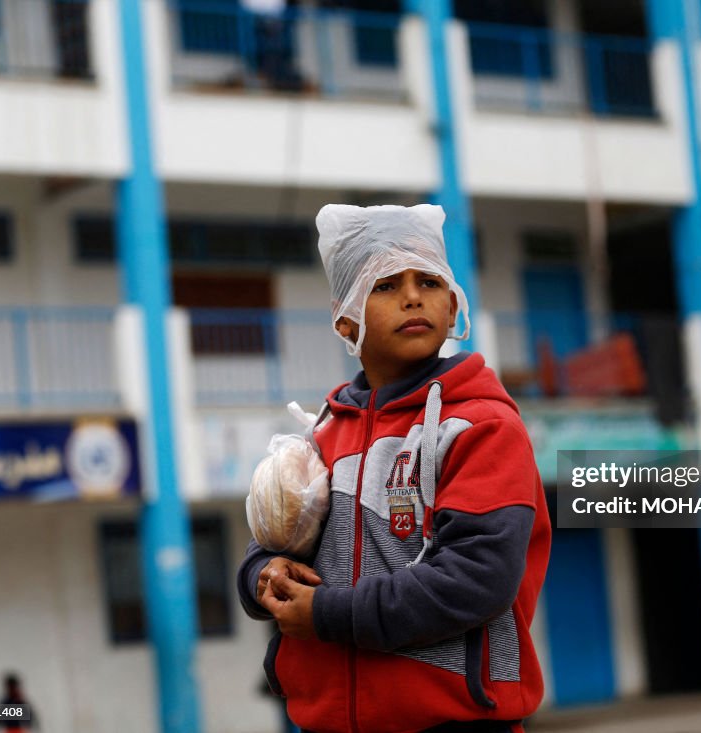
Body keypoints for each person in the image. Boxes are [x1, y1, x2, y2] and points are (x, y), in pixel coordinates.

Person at [237, 204, 552, 733]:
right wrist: (262, 577)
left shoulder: (481, 426)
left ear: (453, 307)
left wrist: (326, 613)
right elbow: (270, 542)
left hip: (454, 723)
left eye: (429, 280)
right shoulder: (321, 435)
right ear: (345, 319)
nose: (412, 295)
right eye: (384, 285)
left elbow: (477, 577)